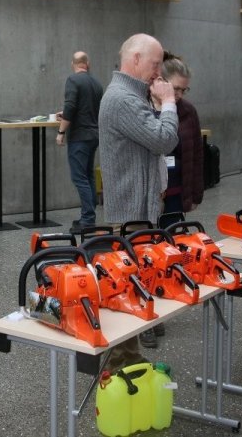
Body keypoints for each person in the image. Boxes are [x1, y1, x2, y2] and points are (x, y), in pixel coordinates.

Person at [98, 33, 178, 369]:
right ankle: (120, 364)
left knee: (131, 286)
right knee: (127, 287)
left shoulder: (129, 95)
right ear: (135, 59)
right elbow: (164, 140)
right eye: (155, 64)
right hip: (131, 213)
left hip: (135, 210)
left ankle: (128, 359)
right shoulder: (123, 99)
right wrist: (169, 102)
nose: (158, 73)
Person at [139, 51, 203, 348]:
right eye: (175, 89)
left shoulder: (188, 112)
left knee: (168, 254)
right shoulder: (140, 108)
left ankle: (160, 308)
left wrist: (195, 193)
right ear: (160, 82)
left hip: (175, 194)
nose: (178, 95)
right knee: (143, 254)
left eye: (184, 90)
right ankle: (144, 315)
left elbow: (196, 154)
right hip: (147, 196)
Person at [56, 51, 104, 233]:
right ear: (87, 63)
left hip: (79, 137)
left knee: (79, 177)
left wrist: (61, 131)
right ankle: (88, 215)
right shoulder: (97, 84)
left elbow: (70, 106)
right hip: (94, 135)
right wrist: (67, 114)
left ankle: (88, 219)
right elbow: (86, 108)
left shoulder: (73, 80)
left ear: (73, 64)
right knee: (88, 175)